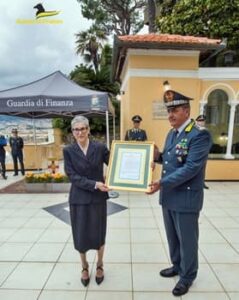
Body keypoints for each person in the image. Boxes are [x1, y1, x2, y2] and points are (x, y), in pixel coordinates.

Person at [149, 89, 212, 297]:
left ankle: (187, 277)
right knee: (173, 238)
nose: (170, 115)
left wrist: (161, 182)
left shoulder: (199, 135)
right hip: (169, 197)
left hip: (185, 197)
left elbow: (191, 167)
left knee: (187, 240)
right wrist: (155, 157)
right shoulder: (172, 133)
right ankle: (177, 266)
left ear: (186, 111)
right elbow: (170, 160)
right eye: (169, 111)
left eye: (174, 110)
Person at [63, 115, 109, 287]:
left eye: (83, 128)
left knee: (99, 233)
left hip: (98, 199)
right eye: (76, 129)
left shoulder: (99, 148)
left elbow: (116, 162)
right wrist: (95, 184)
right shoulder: (68, 151)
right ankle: (84, 266)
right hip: (79, 199)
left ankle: (100, 265)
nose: (80, 132)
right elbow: (73, 176)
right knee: (80, 234)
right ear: (73, 132)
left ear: (88, 130)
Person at [196, 114, 209, 189]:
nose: (201, 122)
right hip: (196, 153)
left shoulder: (206, 131)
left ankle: (202, 182)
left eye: (203, 121)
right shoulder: (193, 130)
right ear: (197, 121)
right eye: (200, 121)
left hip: (204, 153)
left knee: (203, 169)